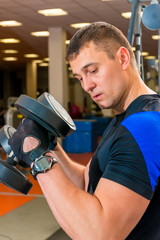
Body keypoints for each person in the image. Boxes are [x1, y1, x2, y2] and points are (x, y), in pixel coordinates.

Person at [8, 22, 160, 240]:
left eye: (92, 71)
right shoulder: (125, 120)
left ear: (123, 58)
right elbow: (86, 182)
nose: (87, 85)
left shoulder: (144, 126)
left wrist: (36, 155)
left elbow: (98, 234)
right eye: (80, 78)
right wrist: (51, 147)